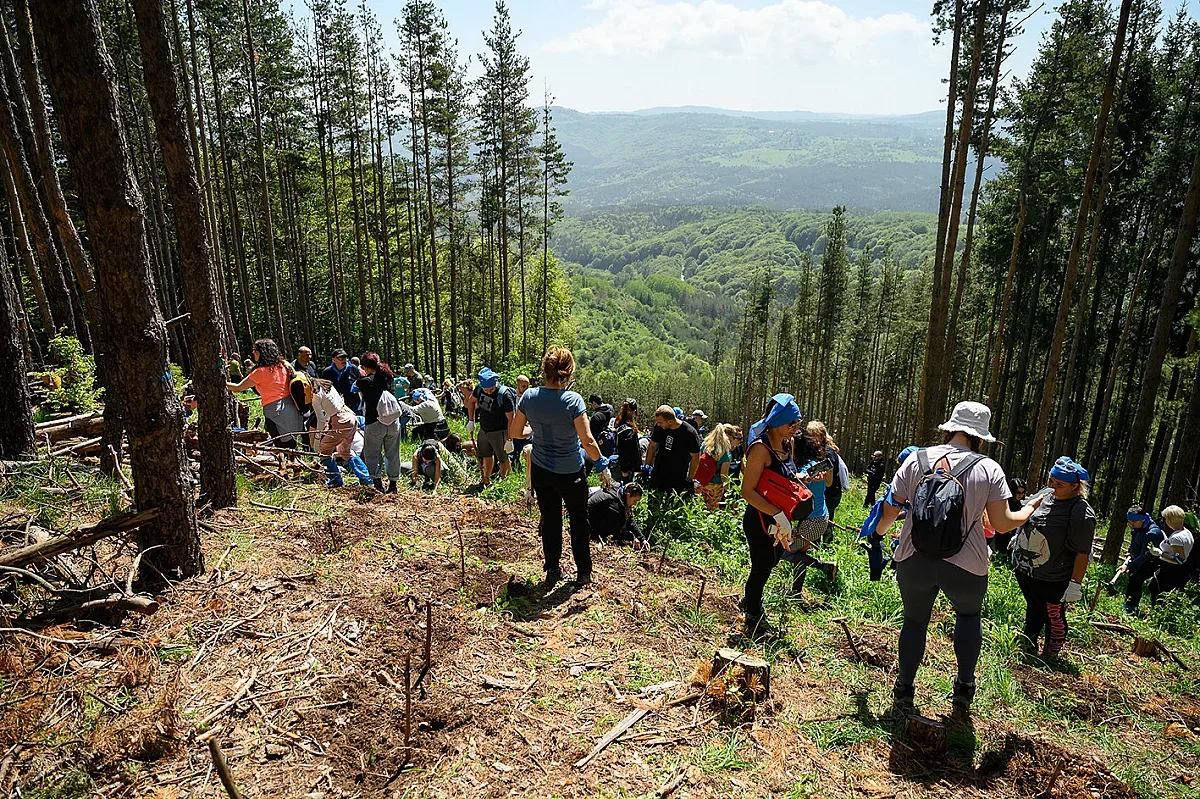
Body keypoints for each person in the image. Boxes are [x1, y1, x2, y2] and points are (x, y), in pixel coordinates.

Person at [871, 401, 1042, 715]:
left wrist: (879, 534)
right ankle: (964, 686)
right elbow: (1001, 523)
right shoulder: (989, 468)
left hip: (914, 557)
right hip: (967, 562)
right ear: (980, 437)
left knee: (914, 621)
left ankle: (905, 688)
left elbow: (890, 510)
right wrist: (1029, 510)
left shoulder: (916, 460)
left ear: (950, 428)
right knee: (968, 617)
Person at [509, 346, 609, 587]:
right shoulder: (573, 400)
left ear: (545, 370)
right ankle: (583, 574)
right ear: (568, 373)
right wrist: (601, 464)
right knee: (578, 520)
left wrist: (538, 428)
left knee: (551, 520)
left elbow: (515, 432)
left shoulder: (529, 396)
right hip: (570, 472)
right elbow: (587, 440)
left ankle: (553, 568)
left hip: (542, 470)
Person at [739, 394, 810, 637]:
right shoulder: (760, 449)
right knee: (761, 566)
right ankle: (753, 616)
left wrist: (798, 481)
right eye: (792, 424)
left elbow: (782, 477)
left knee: (770, 561)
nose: (795, 428)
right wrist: (776, 513)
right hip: (760, 518)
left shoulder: (786, 446)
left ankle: (750, 600)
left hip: (780, 518)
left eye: (797, 423)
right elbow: (747, 491)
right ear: (777, 422)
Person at [1010, 457, 1096, 659]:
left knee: (1053, 615)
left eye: (1059, 484)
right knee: (1033, 609)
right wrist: (1018, 538)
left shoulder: (1080, 512)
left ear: (1075, 486)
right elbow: (1029, 516)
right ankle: (1028, 647)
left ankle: (1050, 656)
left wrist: (1075, 584)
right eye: (1051, 481)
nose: (1052, 486)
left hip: (1053, 578)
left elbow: (1082, 552)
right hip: (1027, 571)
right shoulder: (1046, 496)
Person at [226, 339, 304, 449]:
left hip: (275, 412)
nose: (253, 353)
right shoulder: (283, 366)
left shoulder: (260, 372)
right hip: (291, 408)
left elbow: (238, 388)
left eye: (254, 350)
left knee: (281, 447)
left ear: (261, 352)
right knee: (291, 446)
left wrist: (220, 382)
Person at [789, 421, 837, 595]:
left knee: (782, 553)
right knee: (801, 554)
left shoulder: (805, 469)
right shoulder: (813, 465)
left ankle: (824, 567)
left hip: (812, 521)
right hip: (818, 518)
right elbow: (828, 482)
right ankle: (796, 592)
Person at [1124, 505, 1194, 614]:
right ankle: (1157, 614)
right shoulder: (1186, 532)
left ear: (1170, 520)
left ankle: (1158, 615)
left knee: (1159, 592)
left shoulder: (1177, 537)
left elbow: (1180, 559)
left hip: (1171, 569)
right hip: (1171, 568)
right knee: (1154, 588)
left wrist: (1161, 553)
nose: (1164, 521)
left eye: (1166, 519)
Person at [644, 405, 701, 538]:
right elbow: (652, 446)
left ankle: (670, 532)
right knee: (653, 501)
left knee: (673, 504)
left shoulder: (689, 432)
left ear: (670, 421)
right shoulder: (659, 428)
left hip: (677, 474)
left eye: (660, 422)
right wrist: (647, 466)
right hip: (659, 471)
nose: (658, 425)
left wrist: (690, 477)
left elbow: (695, 457)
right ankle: (650, 527)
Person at [312, 378, 371, 487]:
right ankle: (366, 478)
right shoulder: (328, 386)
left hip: (341, 421)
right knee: (344, 451)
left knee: (324, 450)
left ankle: (335, 480)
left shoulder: (316, 396)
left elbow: (320, 419)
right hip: (351, 417)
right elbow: (333, 406)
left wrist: (316, 440)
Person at [356, 351, 401, 493]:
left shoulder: (363, 382)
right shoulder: (388, 377)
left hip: (373, 422)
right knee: (393, 453)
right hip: (393, 421)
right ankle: (393, 484)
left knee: (373, 453)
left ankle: (377, 483)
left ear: (366, 367)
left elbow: (363, 397)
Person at [470, 367, 516, 489]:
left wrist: (510, 439)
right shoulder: (479, 389)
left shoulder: (504, 395)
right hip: (484, 430)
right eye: (487, 389)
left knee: (503, 459)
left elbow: (511, 418)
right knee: (486, 455)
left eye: (491, 389)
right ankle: (486, 480)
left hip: (500, 432)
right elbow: (471, 401)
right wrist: (471, 420)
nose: (489, 392)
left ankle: (503, 485)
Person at [1107, 505, 1164, 594]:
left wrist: (1128, 566)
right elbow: (1135, 541)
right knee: (1132, 578)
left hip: (1151, 562)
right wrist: (1130, 552)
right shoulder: (1139, 526)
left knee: (1136, 577)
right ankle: (1129, 603)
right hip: (1138, 559)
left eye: (1133, 523)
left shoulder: (1152, 533)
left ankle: (1131, 606)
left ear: (1142, 520)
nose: (1131, 525)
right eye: (1130, 522)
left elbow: (1144, 556)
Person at [588, 482, 646, 547]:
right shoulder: (614, 504)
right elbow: (617, 530)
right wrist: (632, 537)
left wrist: (642, 538)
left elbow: (630, 519)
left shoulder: (619, 491)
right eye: (635, 501)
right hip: (587, 522)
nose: (635, 504)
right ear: (628, 495)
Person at [698, 423, 739, 511]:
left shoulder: (705, 445)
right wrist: (727, 491)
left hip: (701, 482)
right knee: (712, 510)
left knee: (700, 507)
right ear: (729, 437)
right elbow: (724, 476)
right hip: (715, 486)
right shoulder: (726, 454)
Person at [321, 349, 361, 413]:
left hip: (354, 405)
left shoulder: (353, 369)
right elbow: (324, 391)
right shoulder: (327, 372)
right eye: (341, 358)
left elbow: (361, 385)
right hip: (335, 406)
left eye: (345, 357)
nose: (344, 360)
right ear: (333, 359)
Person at [614, 399, 641, 484]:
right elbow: (626, 452)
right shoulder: (629, 430)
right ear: (634, 411)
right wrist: (625, 471)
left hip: (615, 463)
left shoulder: (618, 423)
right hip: (625, 469)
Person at [510, 375, 532, 470]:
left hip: (528, 430)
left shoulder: (530, 398)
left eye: (527, 386)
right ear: (517, 385)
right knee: (514, 455)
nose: (526, 389)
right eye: (523, 386)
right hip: (516, 431)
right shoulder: (511, 398)